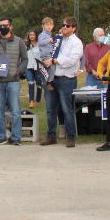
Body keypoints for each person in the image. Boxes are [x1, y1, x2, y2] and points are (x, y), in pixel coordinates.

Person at [41, 16, 82, 148]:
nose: (64, 27)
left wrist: (55, 60)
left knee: (66, 109)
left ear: (73, 28)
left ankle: (70, 137)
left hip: (66, 79)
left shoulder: (77, 43)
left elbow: (71, 61)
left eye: (67, 26)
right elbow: (47, 50)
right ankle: (51, 135)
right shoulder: (58, 39)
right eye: (63, 25)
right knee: (50, 109)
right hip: (53, 77)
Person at [0, 18, 28, 146]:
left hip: (13, 81)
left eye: (5, 25)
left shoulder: (19, 41)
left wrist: (18, 71)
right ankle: (1, 136)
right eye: (1, 26)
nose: (3, 27)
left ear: (11, 27)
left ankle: (16, 137)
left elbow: (25, 59)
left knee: (15, 110)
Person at [24, 30, 43, 108]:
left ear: (36, 36)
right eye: (30, 35)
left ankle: (38, 100)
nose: (31, 36)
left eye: (33, 35)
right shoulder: (26, 45)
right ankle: (31, 101)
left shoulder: (40, 45)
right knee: (31, 83)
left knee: (39, 84)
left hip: (38, 67)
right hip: (28, 67)